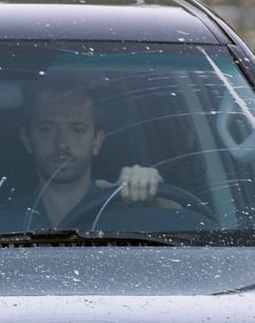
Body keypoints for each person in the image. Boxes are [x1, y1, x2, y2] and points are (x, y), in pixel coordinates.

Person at [18, 79, 172, 228]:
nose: (62, 143)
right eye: (47, 129)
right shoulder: (1, 222)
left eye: (77, 130)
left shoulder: (126, 212)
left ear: (97, 142)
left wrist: (155, 197)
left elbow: (186, 225)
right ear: (27, 140)